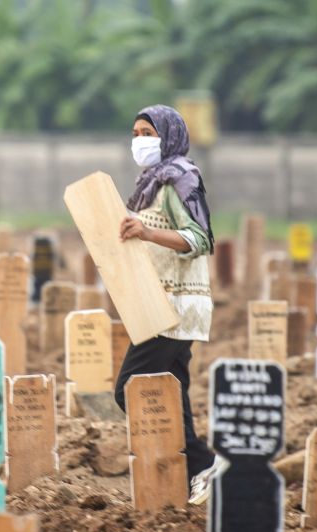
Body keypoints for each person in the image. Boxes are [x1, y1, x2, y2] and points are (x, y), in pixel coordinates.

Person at [114, 104, 223, 505]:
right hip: (153, 302)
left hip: (175, 306)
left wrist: (145, 233)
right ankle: (190, 473)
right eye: (135, 133)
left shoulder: (182, 178)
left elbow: (200, 238)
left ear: (169, 135)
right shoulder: (151, 183)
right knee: (170, 392)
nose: (139, 141)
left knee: (131, 388)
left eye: (148, 133)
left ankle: (202, 462)